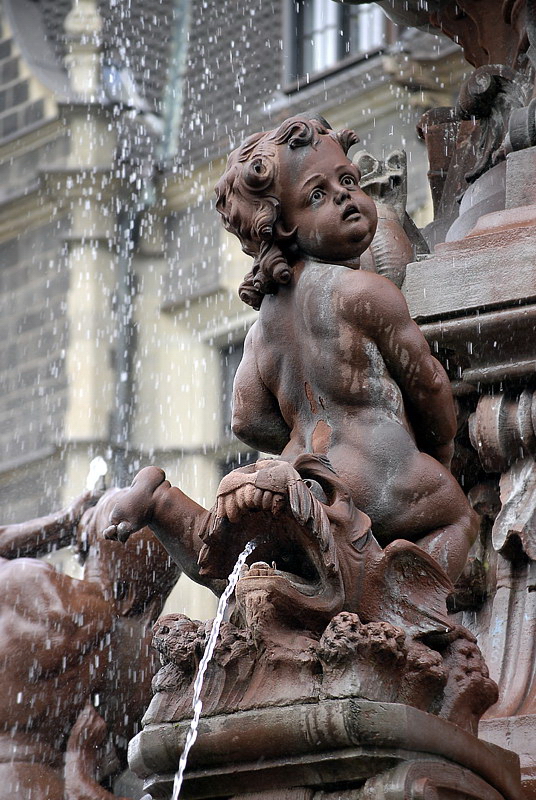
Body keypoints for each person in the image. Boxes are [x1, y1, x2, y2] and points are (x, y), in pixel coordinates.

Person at [214, 114, 478, 583]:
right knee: (458, 516)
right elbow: (430, 382)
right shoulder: (364, 292)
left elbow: (246, 418)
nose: (344, 196)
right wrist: (437, 451)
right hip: (383, 474)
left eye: (350, 180)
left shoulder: (261, 332)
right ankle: (408, 611)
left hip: (305, 484)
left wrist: (305, 435)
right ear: (280, 227)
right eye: (317, 194)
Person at [0, 488, 180, 799]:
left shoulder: (23, 581)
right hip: (44, 785)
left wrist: (63, 522)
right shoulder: (141, 656)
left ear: (86, 544)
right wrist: (79, 768)